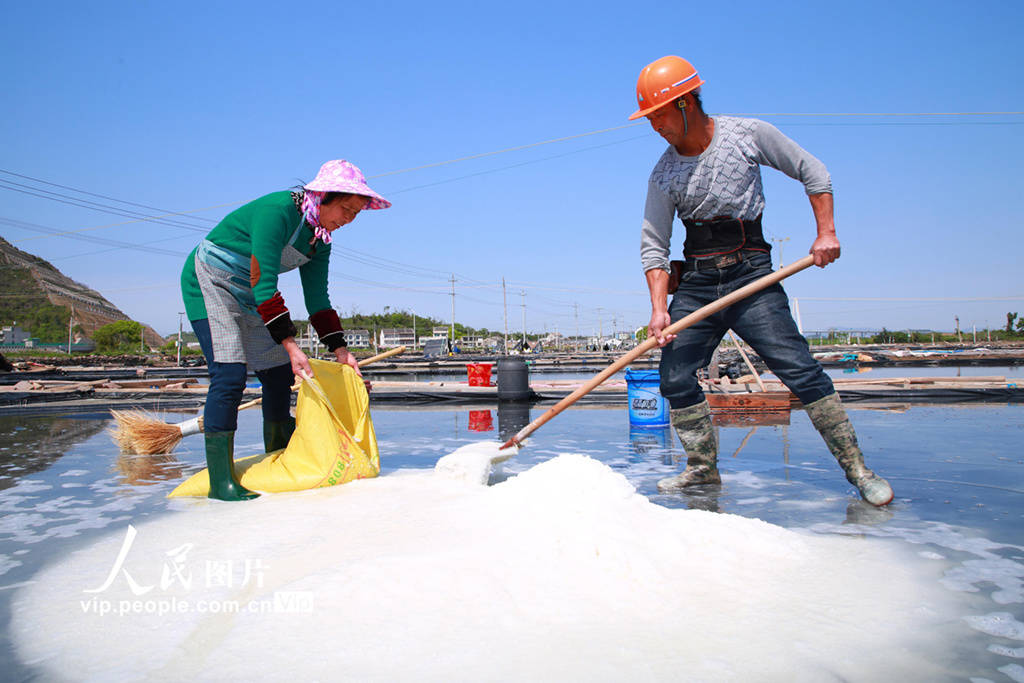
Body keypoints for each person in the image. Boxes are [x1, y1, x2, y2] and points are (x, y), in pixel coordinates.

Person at [632, 56, 893, 506]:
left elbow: (814, 171)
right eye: (649, 119)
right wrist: (659, 309)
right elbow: (654, 246)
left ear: (686, 102)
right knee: (674, 377)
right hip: (696, 282)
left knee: (800, 372)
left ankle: (859, 469)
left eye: (658, 115)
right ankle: (701, 470)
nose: (655, 127)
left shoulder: (747, 135)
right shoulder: (663, 173)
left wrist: (826, 232)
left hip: (750, 273)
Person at [180, 159, 390, 501]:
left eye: (356, 214)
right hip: (211, 282)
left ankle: (276, 455)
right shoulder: (277, 212)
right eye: (345, 209)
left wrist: (341, 351)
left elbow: (318, 300)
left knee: (278, 376)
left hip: (251, 294)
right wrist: (292, 346)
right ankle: (221, 482)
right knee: (230, 375)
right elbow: (265, 282)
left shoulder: (320, 241)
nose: (347, 219)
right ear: (321, 196)